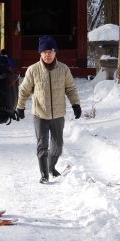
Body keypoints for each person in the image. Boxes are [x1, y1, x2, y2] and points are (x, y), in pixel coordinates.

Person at [16, 35, 81, 184]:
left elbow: (70, 89)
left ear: (55, 52)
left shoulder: (64, 69)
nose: (47, 55)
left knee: (57, 145)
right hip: (40, 114)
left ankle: (51, 167)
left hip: (58, 114)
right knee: (42, 145)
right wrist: (20, 107)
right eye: (44, 52)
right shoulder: (33, 70)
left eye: (50, 51)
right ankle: (44, 174)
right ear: (40, 53)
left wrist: (76, 104)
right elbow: (24, 90)